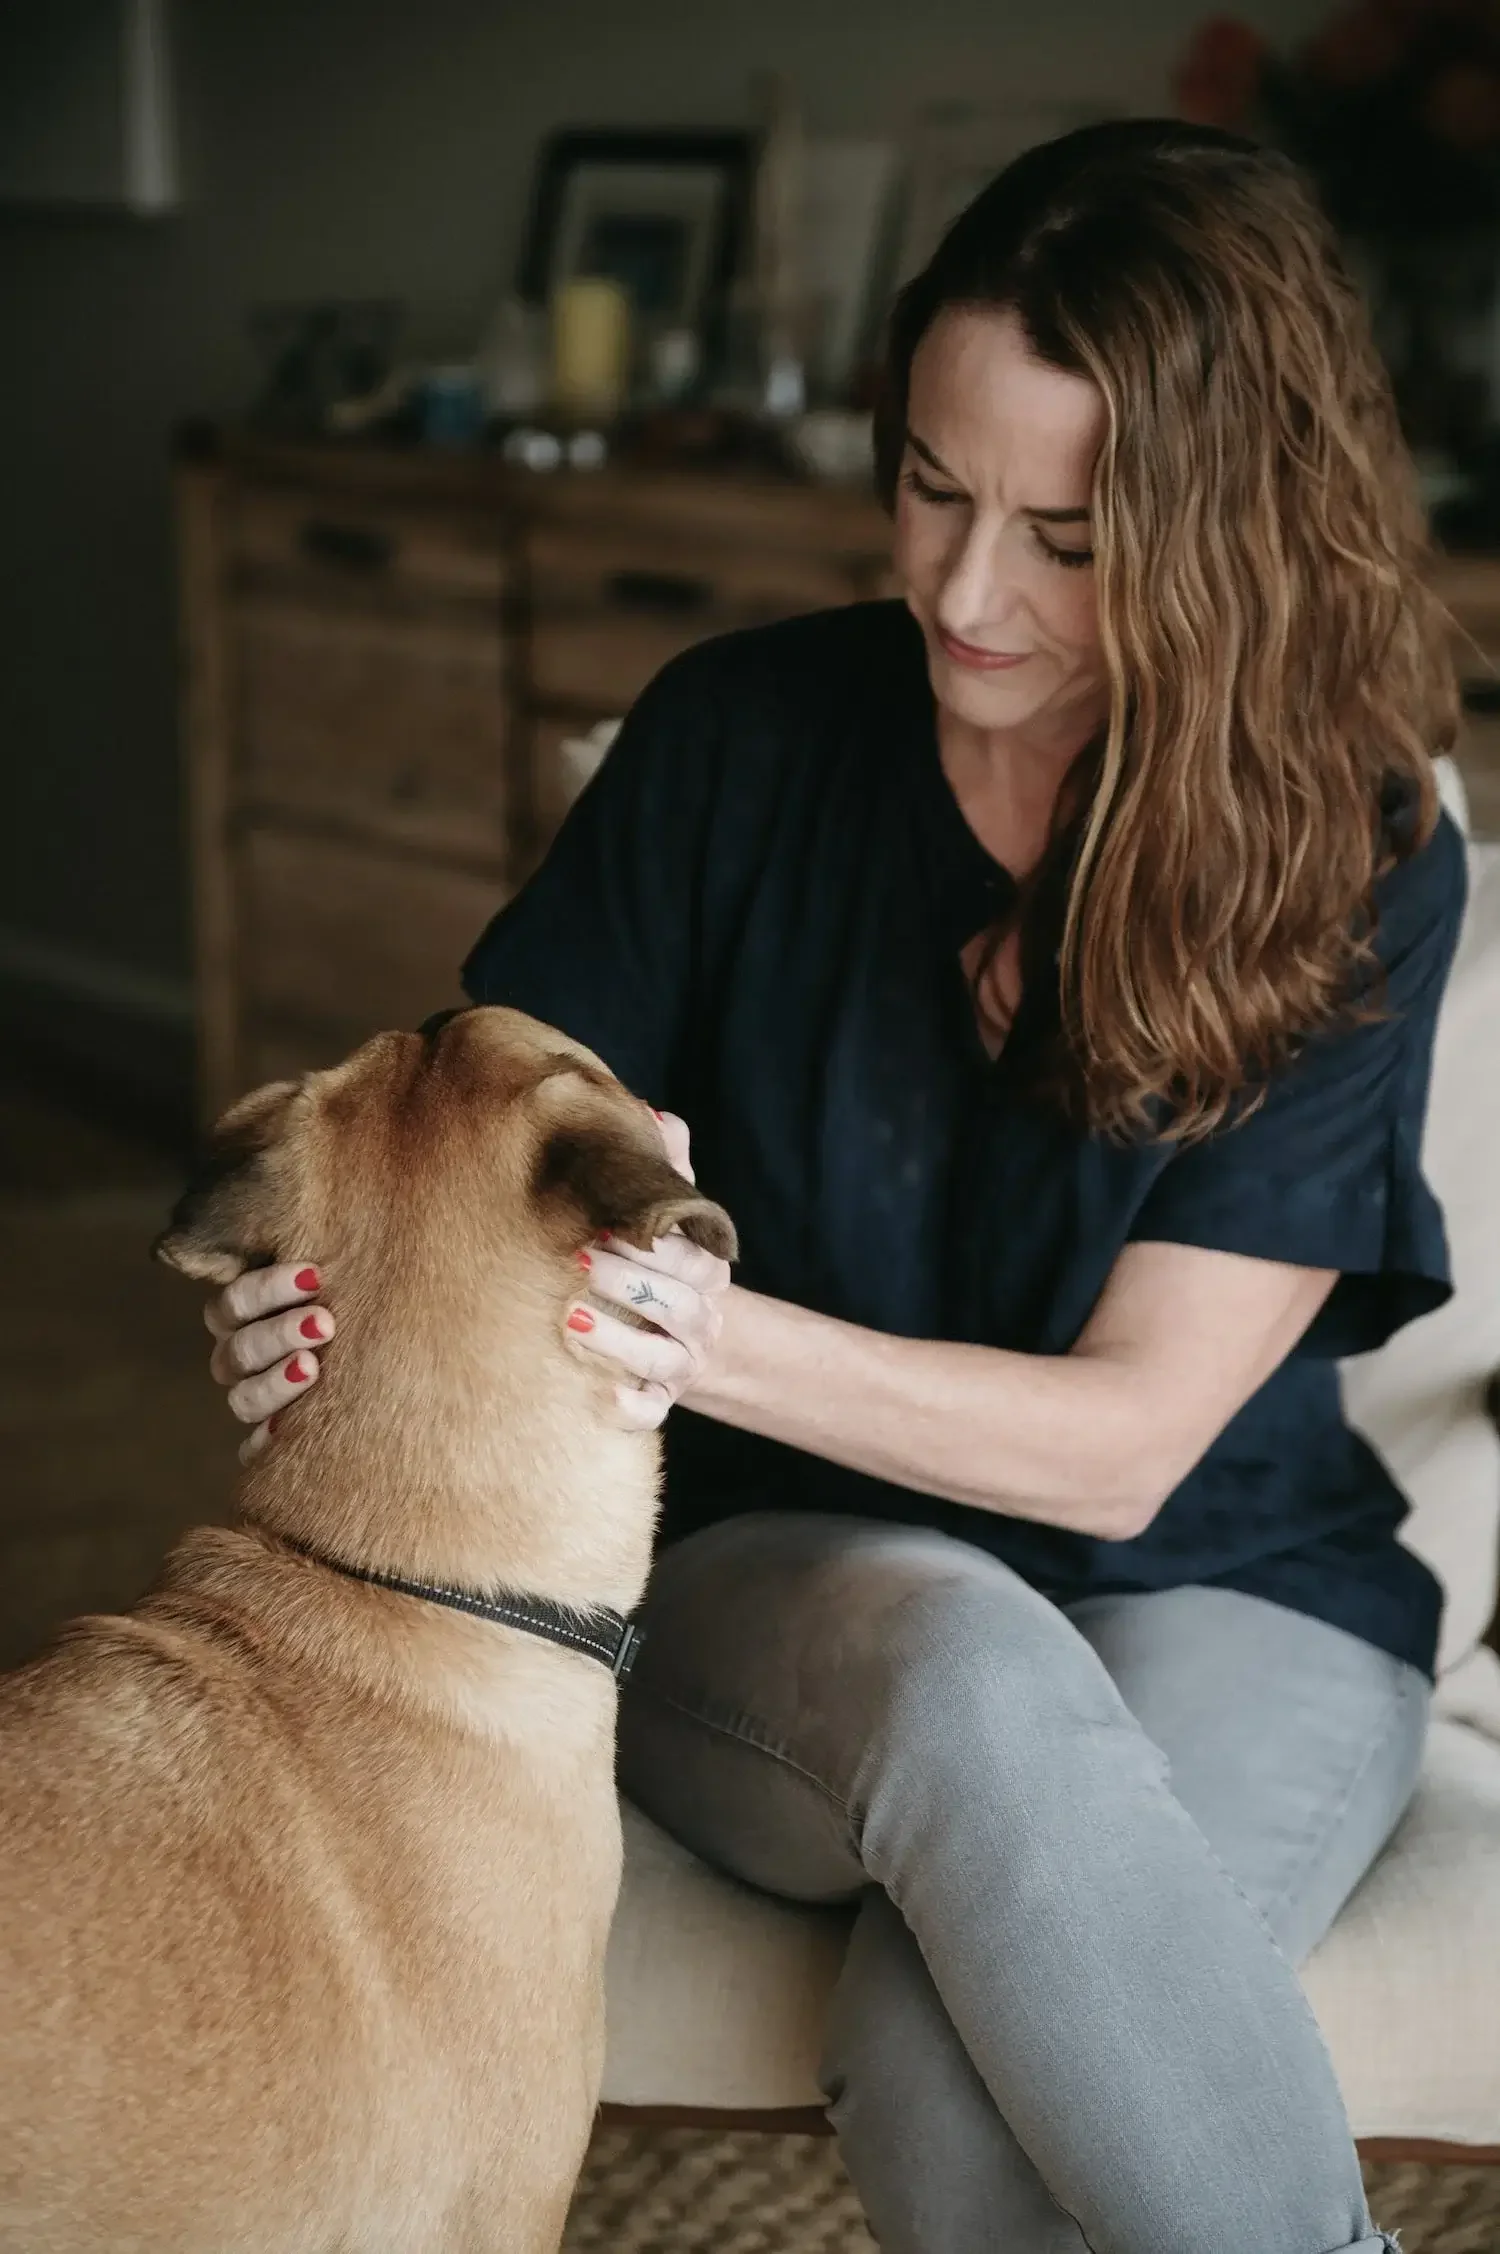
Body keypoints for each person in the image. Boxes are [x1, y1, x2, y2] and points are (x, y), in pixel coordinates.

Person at [203, 121, 1465, 2253]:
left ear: (1220, 539)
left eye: (1067, 538)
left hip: (1233, 1590)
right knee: (964, 1661)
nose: (969, 594)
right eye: (933, 487)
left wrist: (696, 1324)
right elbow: (470, 1155)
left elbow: (1130, 1448)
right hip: (789, 1590)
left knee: (960, 2078)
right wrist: (334, 1298)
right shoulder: (736, 741)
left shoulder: (1348, 845)